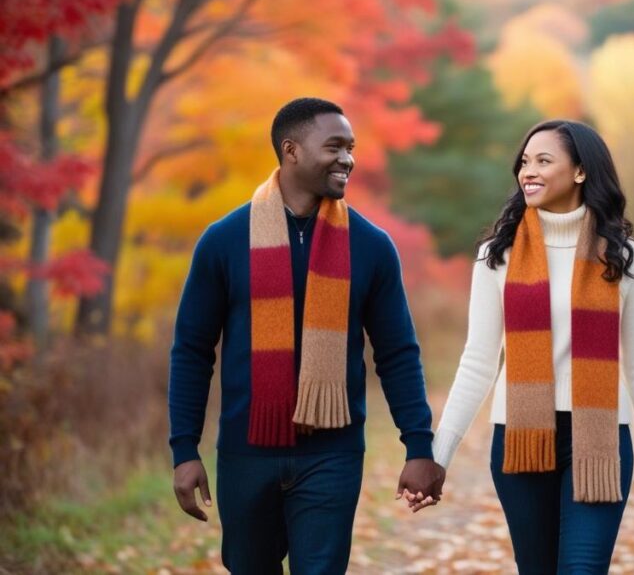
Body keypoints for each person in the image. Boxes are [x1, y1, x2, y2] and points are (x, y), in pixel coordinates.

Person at [168, 97, 445, 574]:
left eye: (351, 148)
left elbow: (397, 353)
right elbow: (192, 352)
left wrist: (419, 446)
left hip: (333, 455)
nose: (347, 159)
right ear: (291, 150)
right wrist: (184, 450)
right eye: (334, 147)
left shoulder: (371, 246)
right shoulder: (224, 240)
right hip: (246, 452)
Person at [430, 119, 634, 573]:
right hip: (520, 440)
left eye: (544, 161)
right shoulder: (497, 256)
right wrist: (438, 456)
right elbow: (478, 362)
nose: (529, 171)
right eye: (525, 162)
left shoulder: (626, 258)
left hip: (600, 440)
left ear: (580, 171)